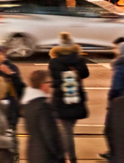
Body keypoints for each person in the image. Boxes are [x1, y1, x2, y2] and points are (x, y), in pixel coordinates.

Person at [47, 31, 88, 163]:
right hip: (76, 97)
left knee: (66, 131)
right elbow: (85, 74)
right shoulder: (79, 59)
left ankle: (70, 158)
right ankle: (69, 157)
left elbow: (54, 81)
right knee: (69, 129)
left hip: (61, 99)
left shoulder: (54, 62)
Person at [21, 70, 62, 163]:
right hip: (46, 156)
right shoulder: (43, 107)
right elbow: (50, 135)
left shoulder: (28, 104)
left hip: (33, 153)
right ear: (42, 85)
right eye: (49, 82)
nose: (50, 85)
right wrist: (60, 155)